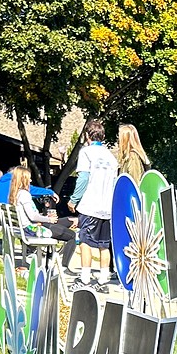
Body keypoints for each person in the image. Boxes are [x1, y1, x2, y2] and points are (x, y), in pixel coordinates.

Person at [67, 119, 118, 293]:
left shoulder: (86, 152)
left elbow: (83, 178)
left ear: (87, 135)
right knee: (104, 244)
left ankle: (85, 278)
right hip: (106, 207)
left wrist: (74, 199)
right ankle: (103, 281)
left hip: (90, 204)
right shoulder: (111, 157)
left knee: (85, 242)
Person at [9, 165, 78, 273]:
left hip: (30, 226)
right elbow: (32, 217)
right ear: (24, 179)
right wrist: (48, 219)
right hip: (34, 229)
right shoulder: (24, 195)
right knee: (72, 236)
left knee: (68, 221)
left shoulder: (16, 194)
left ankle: (73, 221)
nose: (31, 180)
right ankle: (64, 267)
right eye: (29, 178)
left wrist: (45, 217)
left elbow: (30, 215)